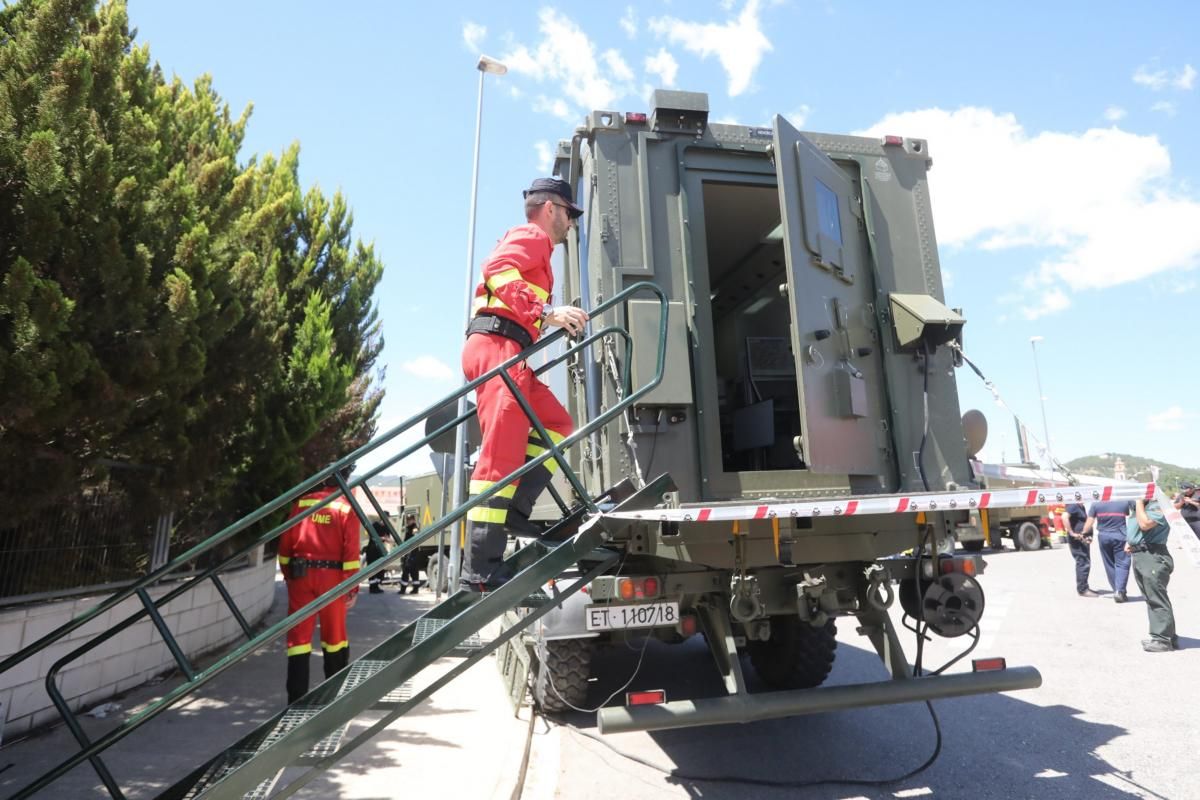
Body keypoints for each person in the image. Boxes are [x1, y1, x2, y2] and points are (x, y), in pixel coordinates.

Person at [459, 178, 589, 591]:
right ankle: (479, 568)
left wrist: (551, 318)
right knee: (501, 451)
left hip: (511, 350)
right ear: (550, 208)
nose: (571, 223)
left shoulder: (543, 252)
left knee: (557, 423)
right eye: (569, 213)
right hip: (497, 345)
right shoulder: (530, 235)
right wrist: (547, 312)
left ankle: (515, 509)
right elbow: (496, 270)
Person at [278, 475, 361, 704]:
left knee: (298, 640)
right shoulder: (346, 508)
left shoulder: (302, 504)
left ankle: (296, 701)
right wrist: (351, 588)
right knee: (334, 636)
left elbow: (284, 546)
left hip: (301, 576)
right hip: (333, 580)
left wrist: (289, 577)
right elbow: (351, 555)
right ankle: (333, 697)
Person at [1124, 497, 1177, 652]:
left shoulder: (1159, 506)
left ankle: (1162, 639)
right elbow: (1137, 528)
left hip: (1153, 555)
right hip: (1141, 554)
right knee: (1151, 597)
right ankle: (1168, 636)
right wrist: (1132, 542)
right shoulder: (1141, 507)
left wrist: (1140, 502)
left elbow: (1145, 524)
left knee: (1156, 597)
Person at [1082, 499, 1132, 601]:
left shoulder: (1096, 504)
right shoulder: (1123, 502)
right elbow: (1129, 513)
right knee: (1122, 563)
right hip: (1120, 535)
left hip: (1104, 536)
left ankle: (1117, 590)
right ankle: (1120, 591)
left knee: (1109, 564)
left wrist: (1083, 533)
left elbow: (1089, 522)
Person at [1064, 502, 1098, 597]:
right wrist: (1071, 532)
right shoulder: (1073, 505)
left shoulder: (1080, 506)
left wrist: (1089, 536)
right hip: (1077, 539)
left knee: (1085, 562)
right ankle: (1082, 589)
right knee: (1082, 562)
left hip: (1082, 539)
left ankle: (1084, 586)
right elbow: (1064, 517)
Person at [362, 517, 391, 594]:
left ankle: (376, 586)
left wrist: (388, 540)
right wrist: (382, 538)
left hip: (379, 550)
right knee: (372, 569)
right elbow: (372, 536)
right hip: (372, 549)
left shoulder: (386, 527)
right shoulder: (375, 525)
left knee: (380, 569)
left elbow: (388, 538)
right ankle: (372, 587)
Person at [399, 513, 422, 594]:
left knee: (406, 570)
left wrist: (415, 532)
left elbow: (416, 533)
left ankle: (403, 589)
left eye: (410, 519)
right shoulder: (409, 528)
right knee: (414, 571)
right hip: (412, 553)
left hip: (412, 553)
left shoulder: (414, 527)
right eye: (407, 520)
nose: (408, 521)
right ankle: (415, 589)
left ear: (413, 520)